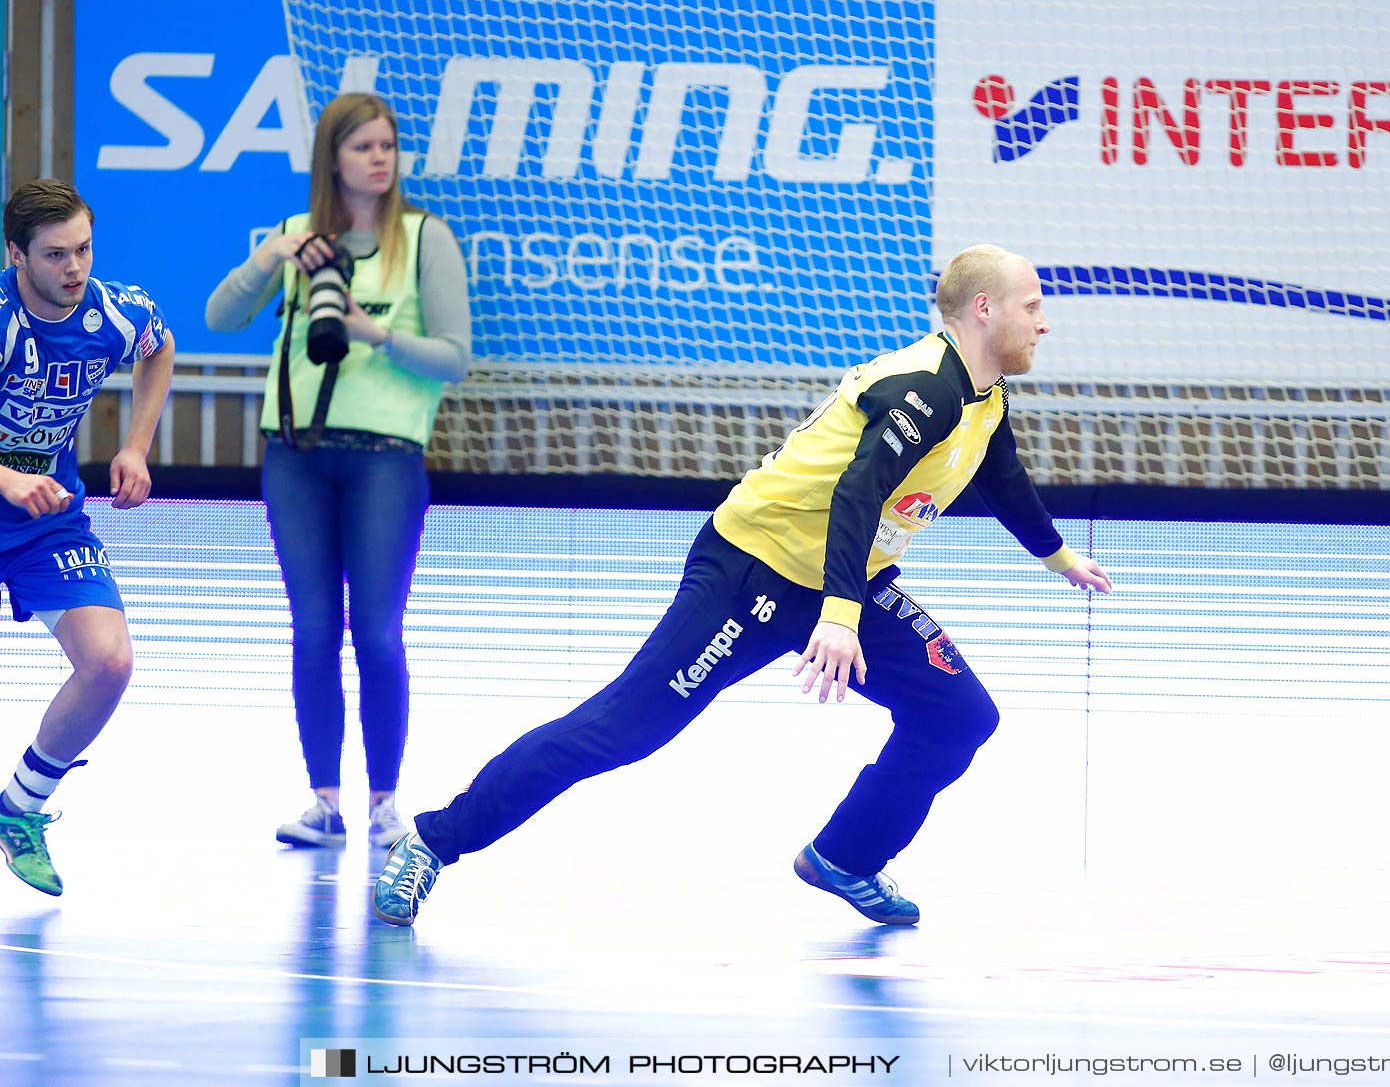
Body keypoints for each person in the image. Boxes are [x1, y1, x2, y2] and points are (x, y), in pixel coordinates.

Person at [370, 243, 1112, 927]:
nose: (1043, 323)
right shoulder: (924, 389)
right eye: (1032, 306)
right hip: (751, 572)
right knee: (621, 731)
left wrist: (1057, 558)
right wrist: (841, 616)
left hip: (844, 577)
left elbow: (999, 472)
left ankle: (846, 856)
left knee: (958, 717)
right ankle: (432, 842)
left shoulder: (984, 395)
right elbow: (856, 494)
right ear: (984, 309)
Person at [206, 93, 471, 851]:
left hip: (385, 460)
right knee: (313, 629)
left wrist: (371, 332)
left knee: (377, 632)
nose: (379, 159)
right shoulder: (296, 238)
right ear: (333, 159)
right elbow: (220, 318)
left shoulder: (424, 239)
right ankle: (324, 801)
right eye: (363, 148)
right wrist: (266, 259)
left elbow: (455, 356)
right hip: (296, 457)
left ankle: (386, 800)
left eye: (387, 146)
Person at [0, 179, 175, 896]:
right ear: (16, 255)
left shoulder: (114, 311)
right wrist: (5, 476)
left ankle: (20, 808)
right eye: (54, 255)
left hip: (48, 519)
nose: (74, 268)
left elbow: (159, 349)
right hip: (12, 488)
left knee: (108, 662)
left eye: (83, 249)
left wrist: (134, 446)